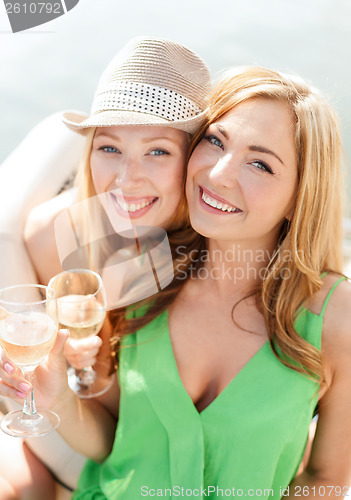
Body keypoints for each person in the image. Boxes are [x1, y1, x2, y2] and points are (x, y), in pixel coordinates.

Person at [2, 65, 351, 497]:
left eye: (260, 164)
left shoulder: (336, 318)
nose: (219, 173)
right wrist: (58, 399)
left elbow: (325, 481)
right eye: (215, 141)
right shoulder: (140, 277)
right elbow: (116, 448)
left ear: (301, 196)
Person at [0, 36, 210, 499]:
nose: (125, 178)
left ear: (194, 159)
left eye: (157, 151)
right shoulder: (51, 235)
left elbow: (147, 432)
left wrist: (98, 377)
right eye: (109, 148)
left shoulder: (214, 262)